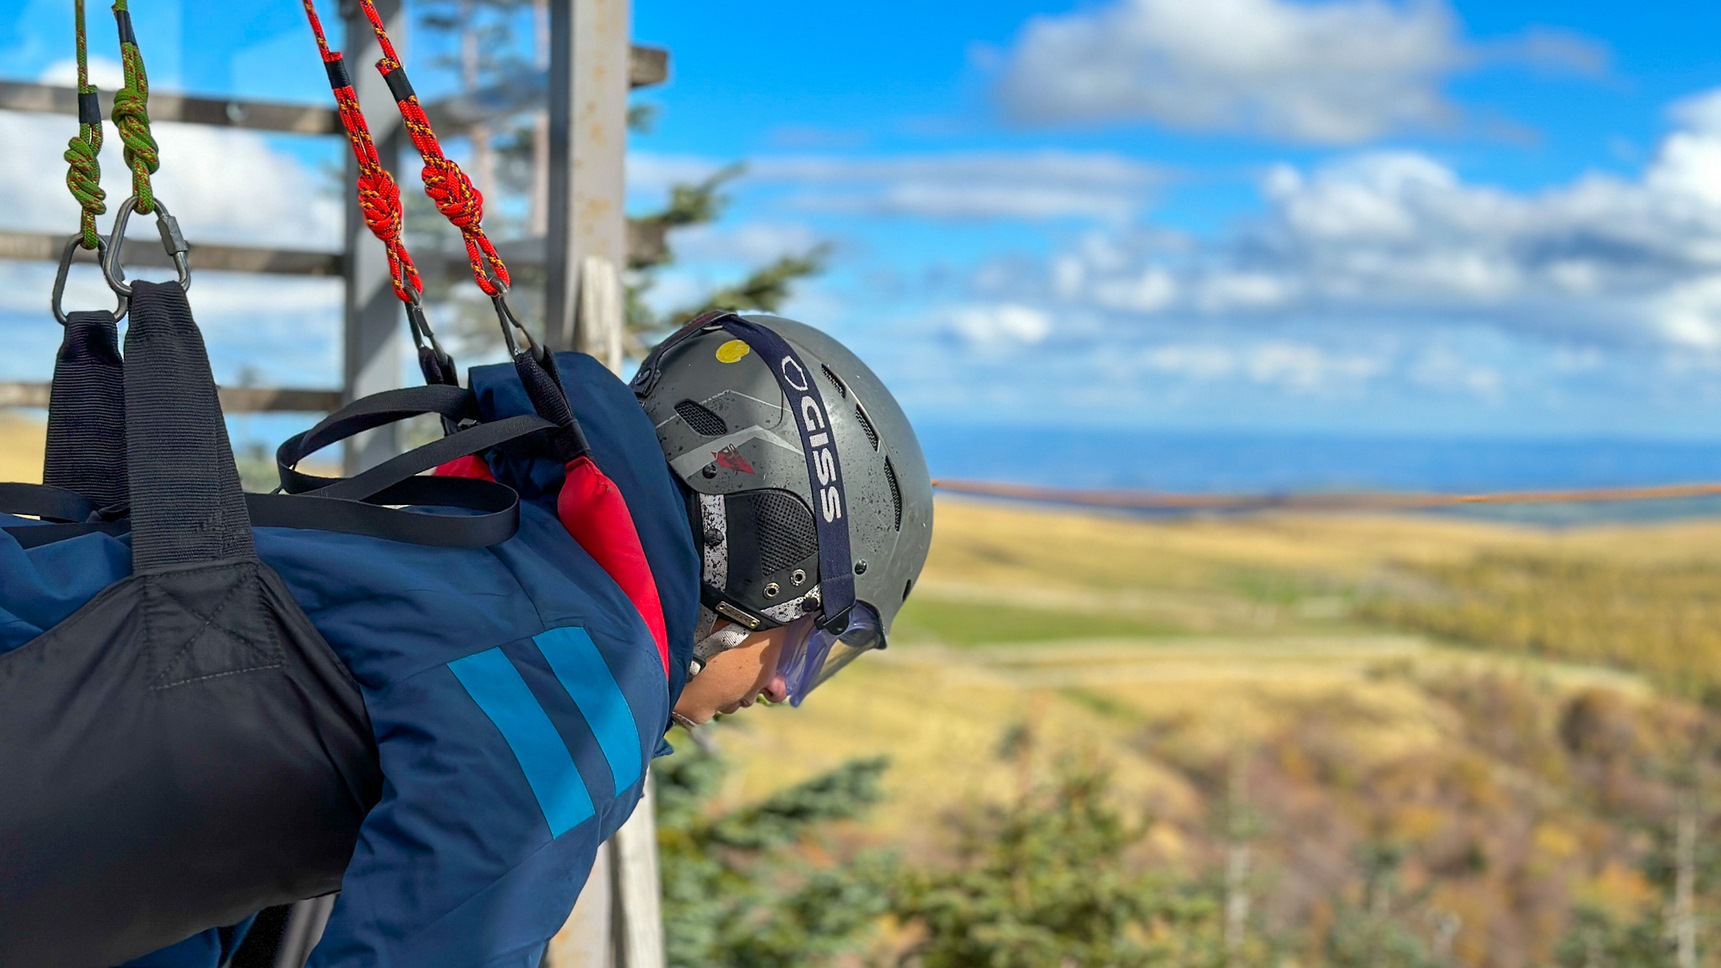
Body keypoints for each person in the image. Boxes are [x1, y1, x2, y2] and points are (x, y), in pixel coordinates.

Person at [0, 308, 930, 968]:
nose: (778, 689)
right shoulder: (577, 676)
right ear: (768, 563)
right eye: (808, 647)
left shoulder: (476, 562)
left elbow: (175, 818)